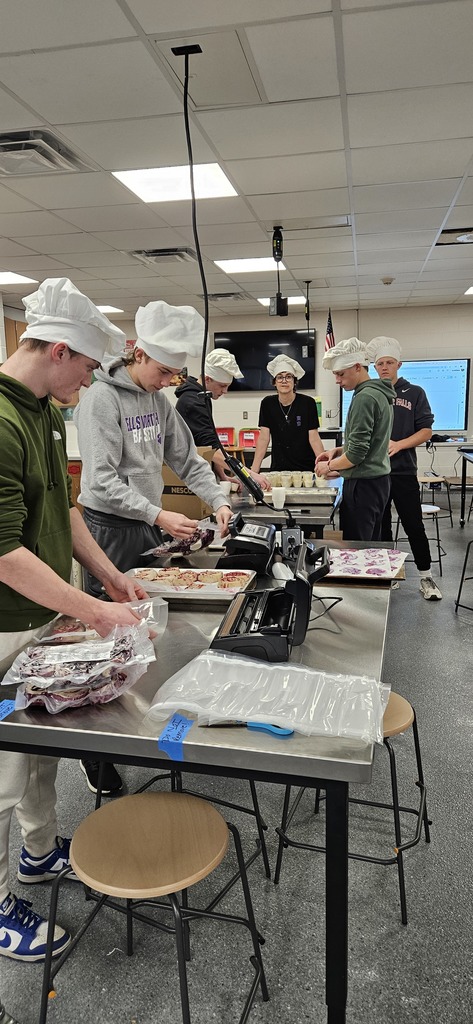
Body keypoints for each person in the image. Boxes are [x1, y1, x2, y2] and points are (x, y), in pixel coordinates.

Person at [0, 277, 149, 963]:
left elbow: (63, 510)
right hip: (3, 623)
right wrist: (91, 610)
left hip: (39, 618)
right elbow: (2, 552)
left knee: (33, 763)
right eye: (88, 367)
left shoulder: (41, 411)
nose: (90, 382)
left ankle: (35, 856)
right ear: (59, 350)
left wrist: (110, 577)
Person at [74, 301, 234, 794]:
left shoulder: (160, 399)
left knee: (148, 635)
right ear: (137, 354)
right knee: (107, 642)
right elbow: (99, 482)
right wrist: (158, 512)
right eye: (164, 371)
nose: (170, 381)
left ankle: (143, 726)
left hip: (145, 523)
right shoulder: (101, 399)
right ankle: (93, 751)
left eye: (176, 374)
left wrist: (218, 499)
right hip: (107, 529)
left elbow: (186, 457)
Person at [366, 336, 442, 600]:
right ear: (374, 368)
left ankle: (426, 577)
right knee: (382, 526)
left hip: (403, 472)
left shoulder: (415, 393)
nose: (384, 367)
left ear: (399, 364)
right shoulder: (372, 393)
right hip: (376, 473)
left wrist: (399, 445)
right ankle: (389, 574)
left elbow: (426, 431)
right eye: (379, 363)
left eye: (389, 362)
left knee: (413, 524)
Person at [316, 337, 394, 541]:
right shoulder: (378, 394)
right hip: (378, 483)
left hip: (364, 485)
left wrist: (330, 466)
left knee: (359, 550)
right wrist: (339, 450)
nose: (337, 380)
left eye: (341, 374)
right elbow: (371, 442)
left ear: (358, 367)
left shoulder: (365, 397)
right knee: (371, 544)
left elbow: (358, 454)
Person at [174, 348, 270, 489]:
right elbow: (211, 448)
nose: (225, 391)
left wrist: (222, 476)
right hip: (185, 474)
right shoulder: (192, 401)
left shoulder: (203, 397)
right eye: (222, 386)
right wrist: (249, 475)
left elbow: (210, 443)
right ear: (207, 379)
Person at [251, 354, 324, 474]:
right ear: (274, 382)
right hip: (278, 469)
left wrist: (322, 465)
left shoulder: (308, 403)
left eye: (288, 377)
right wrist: (253, 471)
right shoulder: (267, 403)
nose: (284, 381)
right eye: (279, 377)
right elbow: (264, 438)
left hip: (306, 469)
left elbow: (314, 437)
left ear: (295, 381)